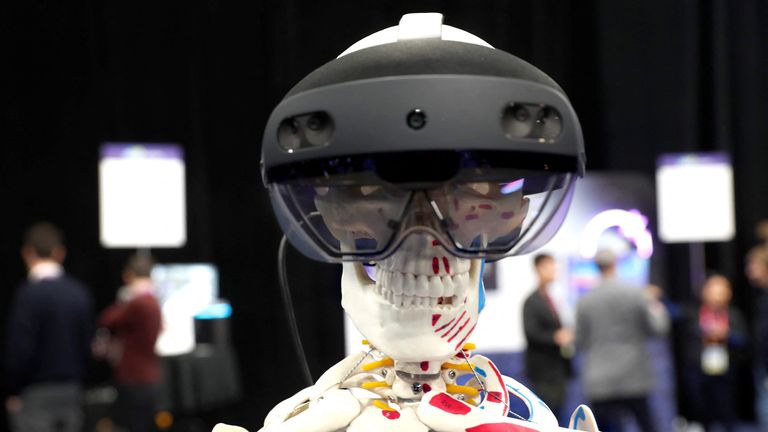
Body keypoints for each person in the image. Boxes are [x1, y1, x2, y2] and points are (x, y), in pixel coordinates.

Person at [5, 222, 93, 432]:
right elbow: (87, 345)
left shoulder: (28, 295)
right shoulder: (79, 293)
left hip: (36, 393)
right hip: (72, 390)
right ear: (60, 253)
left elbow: (20, 350)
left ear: (28, 253)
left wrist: (13, 389)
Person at [575, 249, 669, 432]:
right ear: (615, 264)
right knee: (647, 425)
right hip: (634, 375)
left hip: (600, 379)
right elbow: (657, 329)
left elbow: (580, 340)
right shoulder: (636, 293)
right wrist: (657, 306)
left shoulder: (585, 300)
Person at [98, 254, 162, 432]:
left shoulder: (138, 303)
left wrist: (124, 299)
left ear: (128, 275)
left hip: (134, 377)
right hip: (149, 375)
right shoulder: (154, 302)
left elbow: (107, 319)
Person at [680, 274, 746, 432]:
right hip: (698, 369)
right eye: (714, 291)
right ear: (705, 292)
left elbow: (744, 341)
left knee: (727, 411)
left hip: (725, 370)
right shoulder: (692, 312)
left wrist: (727, 334)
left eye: (722, 291)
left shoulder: (733, 314)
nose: (718, 296)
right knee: (702, 411)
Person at [522, 253, 573, 418]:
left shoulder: (552, 298)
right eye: (549, 267)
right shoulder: (531, 301)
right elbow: (531, 332)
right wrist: (555, 337)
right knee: (547, 417)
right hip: (543, 372)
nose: (553, 271)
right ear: (538, 269)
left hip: (558, 369)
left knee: (560, 414)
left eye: (554, 267)